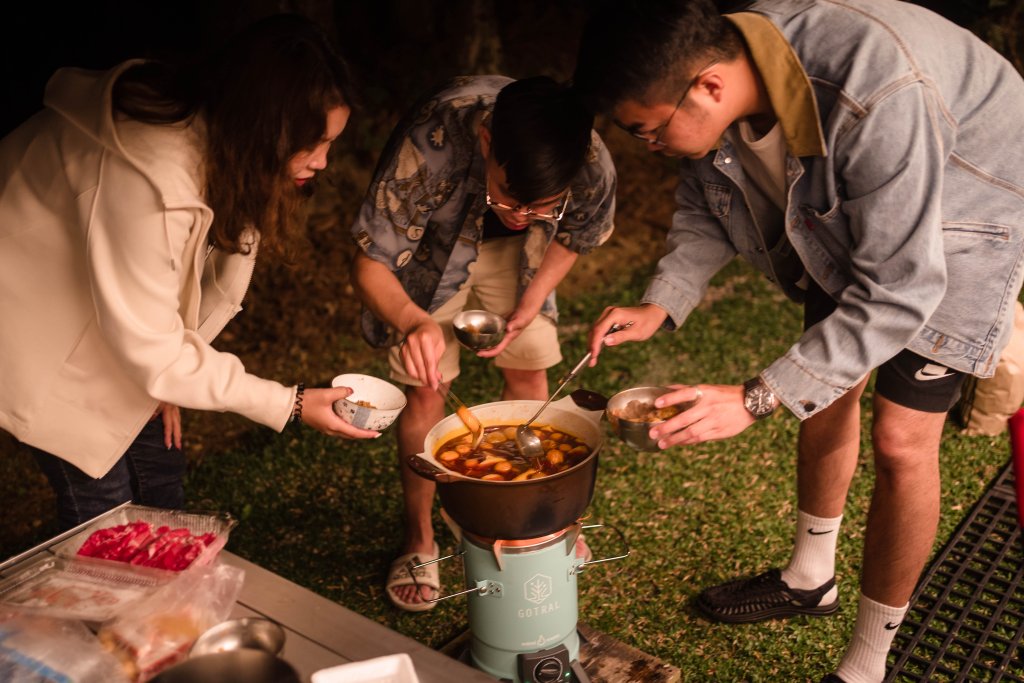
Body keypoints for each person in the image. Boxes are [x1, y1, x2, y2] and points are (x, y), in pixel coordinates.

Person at [571, 1, 1024, 681]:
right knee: (827, 390)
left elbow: (899, 289)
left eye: (649, 131)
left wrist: (757, 397)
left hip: (970, 198)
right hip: (847, 203)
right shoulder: (724, 66)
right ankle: (811, 576)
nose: (652, 147)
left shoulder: (874, 91)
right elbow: (705, 201)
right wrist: (662, 304)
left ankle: (868, 663)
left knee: (901, 438)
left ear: (709, 88)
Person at [0, 14, 379, 533]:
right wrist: (287, 403)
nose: (323, 162)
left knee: (162, 486)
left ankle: (160, 600)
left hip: (110, 318)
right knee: (106, 519)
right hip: (31, 331)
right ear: (262, 125)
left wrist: (171, 377)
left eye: (330, 142)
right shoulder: (148, 185)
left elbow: (165, 285)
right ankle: (104, 609)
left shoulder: (220, 143)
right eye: (311, 144)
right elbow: (152, 346)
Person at [350, 75, 617, 611]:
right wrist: (413, 321)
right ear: (489, 142)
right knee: (428, 390)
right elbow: (370, 260)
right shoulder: (430, 142)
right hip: (426, 260)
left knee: (531, 374)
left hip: (521, 260)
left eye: (543, 204)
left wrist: (533, 297)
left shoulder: (585, 158)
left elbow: (577, 232)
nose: (520, 214)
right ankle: (421, 538)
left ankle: (540, 519)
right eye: (514, 199)